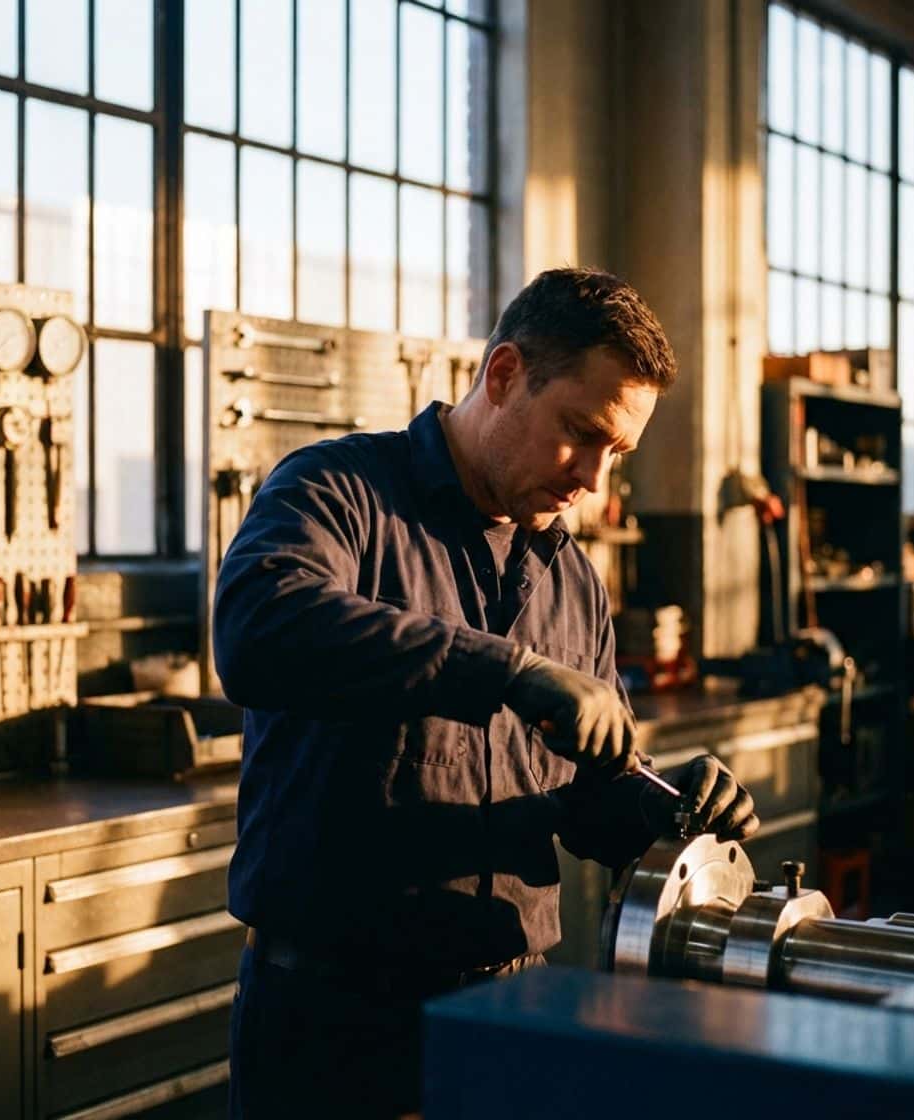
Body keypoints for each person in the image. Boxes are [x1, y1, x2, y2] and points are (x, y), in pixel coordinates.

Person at [214, 267, 760, 1118]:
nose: (593, 479)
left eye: (616, 453)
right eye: (580, 432)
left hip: (511, 1013)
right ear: (504, 375)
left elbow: (581, 800)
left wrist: (664, 804)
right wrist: (506, 669)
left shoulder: (572, 581)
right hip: (335, 1026)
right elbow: (259, 629)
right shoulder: (339, 493)